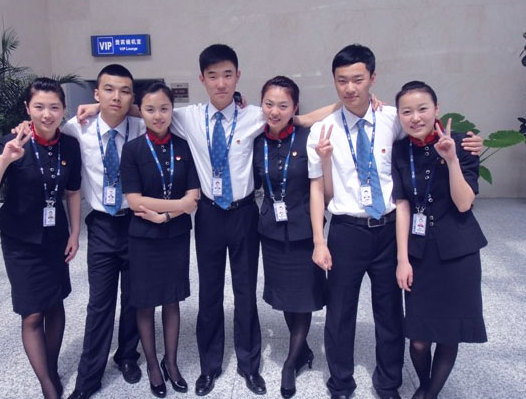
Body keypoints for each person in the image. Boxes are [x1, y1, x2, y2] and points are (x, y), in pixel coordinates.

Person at [76, 44, 340, 396]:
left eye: (227, 75)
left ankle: (249, 365)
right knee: (210, 293)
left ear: (238, 76)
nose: (221, 83)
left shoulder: (256, 115)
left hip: (244, 214)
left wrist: (349, 103)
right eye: (213, 76)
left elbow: (304, 118)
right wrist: (98, 105)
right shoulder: (187, 116)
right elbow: (148, 109)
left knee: (245, 293)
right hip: (209, 216)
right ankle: (209, 366)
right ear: (202, 79)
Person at [306, 44, 483, 399]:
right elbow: (315, 189)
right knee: (340, 312)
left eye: (358, 79)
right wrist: (319, 241)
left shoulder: (392, 118)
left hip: (389, 229)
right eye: (342, 80)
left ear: (373, 78)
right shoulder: (323, 130)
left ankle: (388, 383)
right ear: (334, 82)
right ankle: (340, 382)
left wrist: (467, 143)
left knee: (389, 312)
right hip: (345, 230)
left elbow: (426, 131)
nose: (350, 88)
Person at [0, 77, 82, 399]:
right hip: (20, 242)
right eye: (39, 107)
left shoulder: (69, 145)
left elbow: (72, 192)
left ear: (63, 109)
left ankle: (50, 367)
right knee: (32, 312)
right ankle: (48, 384)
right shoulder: (13, 142)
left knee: (55, 303)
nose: (47, 114)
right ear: (27, 108)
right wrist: (5, 159)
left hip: (55, 238)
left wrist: (75, 232)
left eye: (54, 107)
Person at [392, 81, 487, 399]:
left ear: (436, 109)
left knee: (449, 333)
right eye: (407, 111)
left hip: (458, 253)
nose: (415, 117)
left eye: (422, 109)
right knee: (419, 339)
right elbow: (403, 205)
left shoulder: (462, 143)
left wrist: (452, 159)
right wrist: (402, 259)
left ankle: (428, 393)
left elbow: (464, 203)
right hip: (419, 254)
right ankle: (426, 385)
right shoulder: (400, 150)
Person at [63, 64, 144, 399]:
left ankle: (127, 355)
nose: (116, 97)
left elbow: (169, 113)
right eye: (108, 89)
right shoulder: (76, 128)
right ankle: (89, 377)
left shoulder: (141, 127)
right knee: (100, 303)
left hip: (137, 222)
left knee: (135, 298)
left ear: (132, 97)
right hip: (101, 225)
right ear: (96, 93)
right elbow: (45, 129)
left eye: (124, 91)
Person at [120, 82, 200, 397]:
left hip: (175, 235)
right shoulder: (133, 150)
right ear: (141, 111)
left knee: (171, 299)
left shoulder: (184, 146)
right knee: (144, 302)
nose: (158, 115)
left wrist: (166, 215)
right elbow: (134, 200)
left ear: (172, 110)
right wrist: (177, 205)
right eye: (150, 109)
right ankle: (153, 365)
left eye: (164, 108)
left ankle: (171, 362)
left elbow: (193, 197)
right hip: (143, 238)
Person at [252, 76, 328, 398]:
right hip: (271, 231)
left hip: (303, 231)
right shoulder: (257, 141)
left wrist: (318, 238)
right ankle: (303, 350)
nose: (275, 111)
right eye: (269, 104)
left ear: (295, 108)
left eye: (283, 105)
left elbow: (317, 187)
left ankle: (290, 363)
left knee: (303, 298)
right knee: (285, 297)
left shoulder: (308, 138)